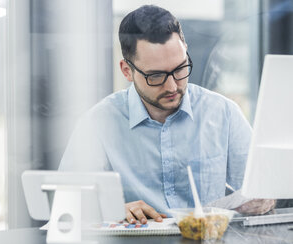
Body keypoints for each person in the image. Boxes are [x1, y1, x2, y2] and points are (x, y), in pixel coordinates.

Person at [58, 5, 275, 224]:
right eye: (156, 76)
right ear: (127, 71)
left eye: (180, 69)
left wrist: (262, 199)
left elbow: (263, 190)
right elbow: (64, 204)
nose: (172, 86)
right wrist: (111, 209)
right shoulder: (99, 122)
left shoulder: (223, 113)